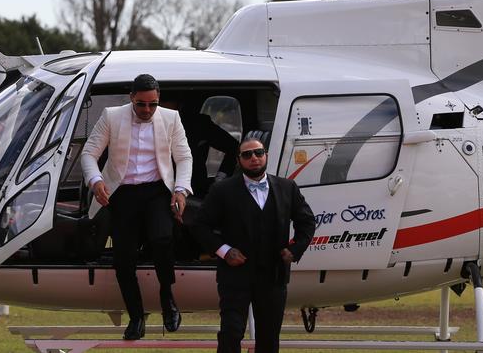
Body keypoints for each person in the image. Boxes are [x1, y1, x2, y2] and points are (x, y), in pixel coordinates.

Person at [80, 74, 193, 340]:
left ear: (158, 100)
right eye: (141, 104)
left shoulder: (170, 118)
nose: (147, 110)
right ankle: (135, 315)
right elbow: (89, 153)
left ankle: (168, 298)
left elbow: (184, 157)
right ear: (131, 98)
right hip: (123, 192)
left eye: (152, 104)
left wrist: (181, 189)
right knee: (123, 257)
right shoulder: (111, 116)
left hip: (156, 190)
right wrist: (96, 181)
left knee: (163, 239)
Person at [194, 138, 315, 353]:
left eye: (258, 153)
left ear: (266, 155)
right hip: (234, 276)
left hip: (273, 275)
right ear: (239, 160)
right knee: (231, 332)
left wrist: (295, 249)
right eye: (247, 155)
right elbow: (200, 225)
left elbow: (307, 222)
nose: (254, 158)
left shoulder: (287, 187)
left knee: (268, 338)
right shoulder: (222, 190)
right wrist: (224, 251)